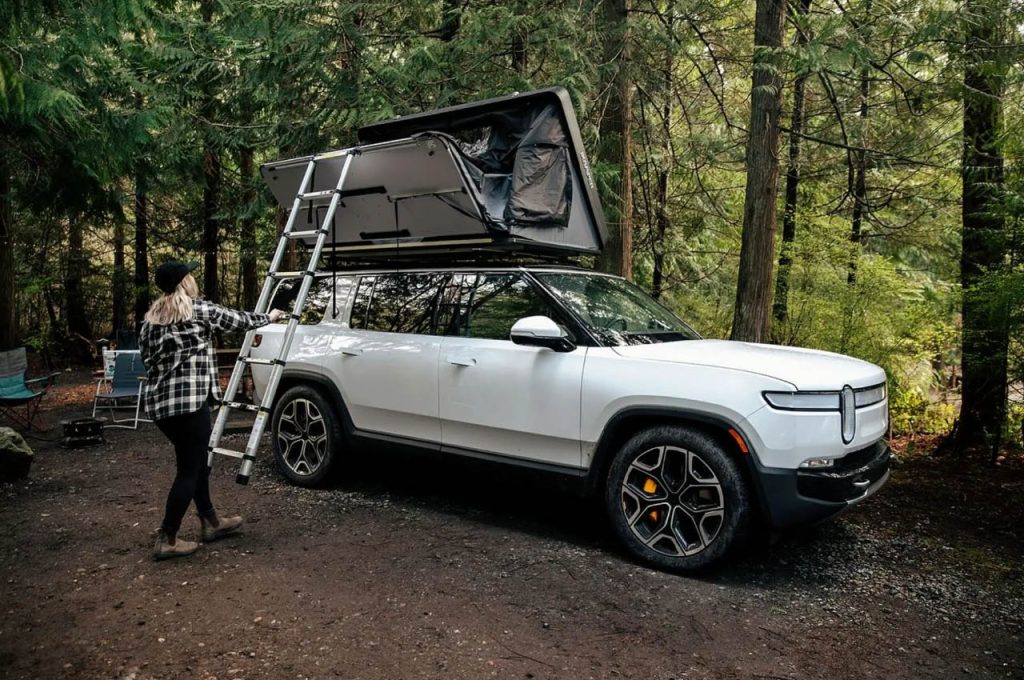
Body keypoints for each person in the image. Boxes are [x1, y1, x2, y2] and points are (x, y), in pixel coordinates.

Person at [139, 261, 286, 560]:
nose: (193, 278)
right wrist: (269, 317)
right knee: (190, 469)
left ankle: (211, 521)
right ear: (183, 282)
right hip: (191, 404)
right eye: (189, 275)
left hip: (160, 407)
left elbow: (148, 360)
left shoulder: (150, 321)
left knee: (194, 461)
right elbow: (239, 320)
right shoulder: (199, 310)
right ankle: (167, 537)